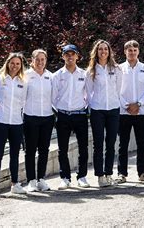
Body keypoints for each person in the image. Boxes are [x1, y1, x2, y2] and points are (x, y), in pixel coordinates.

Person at [0, 53, 28, 198]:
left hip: (16, 123)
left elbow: (23, 103)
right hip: (0, 123)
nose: (15, 66)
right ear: (7, 63)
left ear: (21, 66)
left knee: (15, 155)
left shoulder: (23, 83)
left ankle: (15, 184)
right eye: (12, 63)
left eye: (18, 64)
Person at [52, 44, 89, 190]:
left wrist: (82, 106)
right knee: (62, 148)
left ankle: (82, 177)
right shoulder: (57, 76)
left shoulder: (84, 74)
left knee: (83, 148)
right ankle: (65, 178)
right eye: (67, 54)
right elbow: (53, 97)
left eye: (72, 54)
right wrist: (61, 109)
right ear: (63, 57)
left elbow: (88, 94)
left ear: (77, 56)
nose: (70, 56)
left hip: (80, 114)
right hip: (63, 116)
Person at [117, 40, 144, 184]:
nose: (132, 52)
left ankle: (142, 172)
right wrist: (126, 105)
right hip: (124, 112)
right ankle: (122, 173)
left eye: (134, 50)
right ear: (124, 52)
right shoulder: (119, 69)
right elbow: (116, 89)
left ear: (138, 51)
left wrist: (139, 104)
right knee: (123, 144)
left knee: (141, 144)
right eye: (129, 50)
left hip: (141, 111)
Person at [86, 40, 122, 187]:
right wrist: (92, 106)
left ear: (109, 51)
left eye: (105, 49)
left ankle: (108, 174)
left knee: (111, 143)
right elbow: (88, 92)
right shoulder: (91, 71)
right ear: (96, 52)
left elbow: (118, 89)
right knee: (98, 144)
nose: (103, 52)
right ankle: (100, 176)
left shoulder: (116, 69)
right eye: (100, 49)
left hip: (113, 109)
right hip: (97, 110)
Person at [23, 49, 54, 192]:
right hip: (30, 118)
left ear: (46, 60)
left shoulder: (50, 76)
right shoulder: (26, 76)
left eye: (43, 59)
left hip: (47, 118)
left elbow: (55, 97)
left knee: (44, 150)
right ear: (32, 60)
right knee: (30, 151)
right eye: (38, 59)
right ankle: (31, 181)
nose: (40, 62)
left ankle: (41, 179)